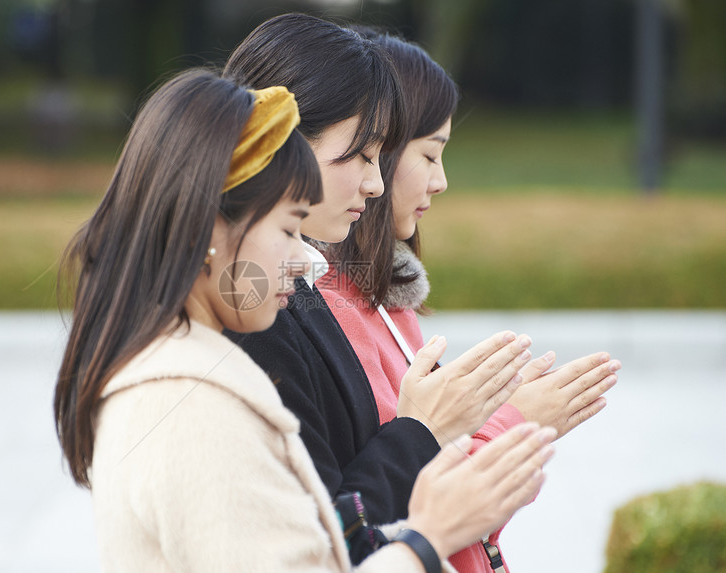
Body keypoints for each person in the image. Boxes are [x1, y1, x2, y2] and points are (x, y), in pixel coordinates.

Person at [52, 68, 557, 572]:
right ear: (208, 229)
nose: (306, 260)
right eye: (290, 227)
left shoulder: (192, 373)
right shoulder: (194, 406)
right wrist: (429, 536)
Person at [222, 14, 544, 561]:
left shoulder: (291, 297)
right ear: (286, 144)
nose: (375, 184)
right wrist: (437, 429)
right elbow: (334, 536)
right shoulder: (256, 318)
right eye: (367, 155)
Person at [317, 30, 622, 571]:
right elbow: (383, 507)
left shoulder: (386, 300)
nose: (442, 181)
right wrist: (511, 423)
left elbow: (449, 518)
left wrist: (498, 419)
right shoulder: (327, 310)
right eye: (430, 155)